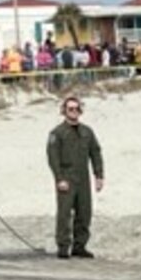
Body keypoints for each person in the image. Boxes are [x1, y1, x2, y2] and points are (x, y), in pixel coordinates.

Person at [47, 94, 104, 259]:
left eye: (77, 108)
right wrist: (59, 179)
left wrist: (99, 175)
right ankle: (63, 246)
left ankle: (80, 246)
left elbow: (96, 153)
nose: (74, 112)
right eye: (70, 109)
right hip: (66, 176)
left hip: (83, 177)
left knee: (84, 212)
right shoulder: (57, 133)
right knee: (64, 214)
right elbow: (53, 158)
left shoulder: (87, 132)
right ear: (64, 111)